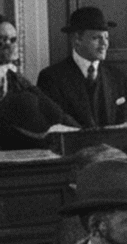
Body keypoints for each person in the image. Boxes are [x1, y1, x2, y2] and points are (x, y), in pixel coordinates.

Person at [38, 6, 127, 128]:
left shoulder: (117, 77)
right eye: (96, 38)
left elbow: (125, 122)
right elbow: (51, 128)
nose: (104, 44)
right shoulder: (51, 78)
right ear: (77, 39)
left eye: (106, 38)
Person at [0, 14, 75, 148]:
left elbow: (54, 111)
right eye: (2, 40)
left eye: (13, 40)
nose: (9, 45)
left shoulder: (16, 77)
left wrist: (80, 132)